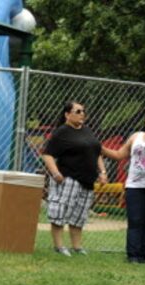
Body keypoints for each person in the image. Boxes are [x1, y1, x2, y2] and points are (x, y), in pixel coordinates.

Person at [40, 101, 105, 256]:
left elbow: (96, 152)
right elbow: (47, 155)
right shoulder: (61, 132)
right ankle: (59, 246)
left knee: (79, 215)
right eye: (78, 111)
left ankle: (77, 247)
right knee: (60, 213)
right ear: (67, 114)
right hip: (68, 179)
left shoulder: (87, 130)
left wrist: (102, 172)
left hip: (87, 180)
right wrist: (56, 173)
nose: (82, 113)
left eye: (83, 111)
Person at [100, 110, 145, 263]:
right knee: (135, 220)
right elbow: (119, 155)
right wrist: (99, 148)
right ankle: (133, 255)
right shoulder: (136, 137)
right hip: (134, 186)